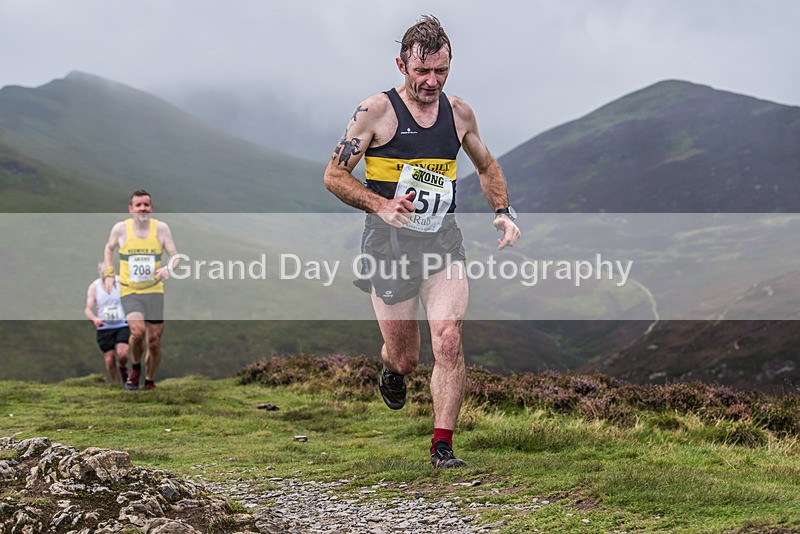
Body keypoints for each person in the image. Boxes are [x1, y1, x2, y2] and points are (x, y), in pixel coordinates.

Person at [323, 16, 520, 468]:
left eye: (441, 72)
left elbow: (486, 166)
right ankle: (391, 368)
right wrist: (380, 205)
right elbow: (334, 175)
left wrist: (504, 213)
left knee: (449, 339)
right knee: (406, 357)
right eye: (422, 72)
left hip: (442, 240)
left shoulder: (459, 113)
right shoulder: (375, 112)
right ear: (401, 65)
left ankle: (442, 446)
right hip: (387, 245)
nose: (432, 82)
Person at [103, 190, 179, 391]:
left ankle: (150, 380)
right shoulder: (121, 229)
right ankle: (135, 369)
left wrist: (168, 268)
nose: (143, 208)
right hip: (130, 290)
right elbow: (109, 248)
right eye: (138, 205)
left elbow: (176, 256)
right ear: (131, 209)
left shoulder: (161, 229)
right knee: (137, 332)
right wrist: (109, 273)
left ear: (151, 208)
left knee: (153, 341)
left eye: (146, 205)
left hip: (154, 290)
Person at [84, 262, 130, 384]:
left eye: (109, 272)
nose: (107, 275)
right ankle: (116, 384)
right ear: (99, 272)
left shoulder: (122, 282)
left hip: (122, 324)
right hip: (105, 327)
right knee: (109, 359)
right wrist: (94, 319)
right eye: (104, 272)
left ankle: (123, 367)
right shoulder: (94, 287)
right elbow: (88, 309)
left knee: (123, 354)